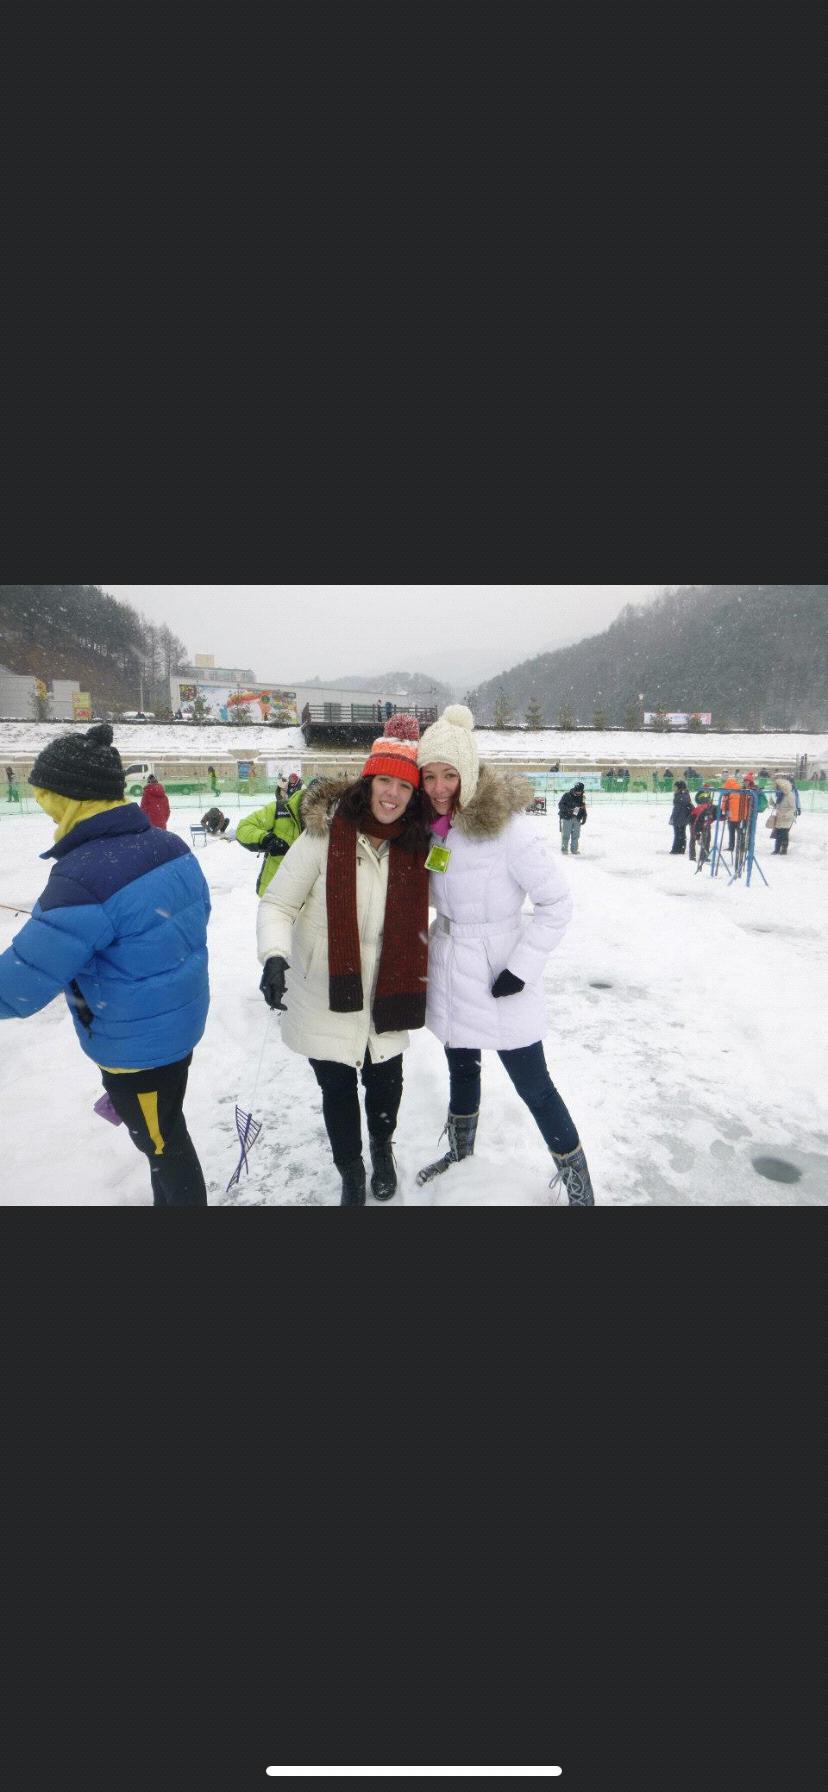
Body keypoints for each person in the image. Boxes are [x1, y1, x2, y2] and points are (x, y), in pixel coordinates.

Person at [0, 724, 211, 1205]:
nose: (39, 802)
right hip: (177, 1028)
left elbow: (17, 988)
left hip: (137, 1051)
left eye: (44, 794)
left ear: (68, 797)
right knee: (167, 1130)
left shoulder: (83, 876)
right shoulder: (168, 845)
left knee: (163, 1146)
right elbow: (195, 918)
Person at [415, 705, 594, 1205]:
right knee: (461, 1067)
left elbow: (556, 903)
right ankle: (459, 1153)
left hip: (499, 973)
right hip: (450, 965)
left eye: (449, 774)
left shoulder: (510, 831)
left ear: (468, 773)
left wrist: (520, 968)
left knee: (534, 1084)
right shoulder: (434, 829)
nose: (437, 786)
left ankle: (580, 1189)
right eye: (429, 775)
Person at [256, 716, 429, 1205]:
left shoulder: (422, 847)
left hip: (389, 993)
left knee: (386, 1086)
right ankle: (350, 1170)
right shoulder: (324, 836)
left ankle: (382, 1148)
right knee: (337, 1091)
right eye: (384, 782)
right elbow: (278, 903)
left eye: (403, 786)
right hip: (325, 991)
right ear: (367, 781)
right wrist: (273, 955)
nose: (392, 795)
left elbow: (458, 896)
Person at [236, 774, 306, 895]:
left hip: (309, 900)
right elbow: (244, 828)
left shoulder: (332, 820)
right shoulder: (278, 810)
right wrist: (266, 839)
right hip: (274, 893)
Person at [768, 775, 797, 855]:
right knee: (778, 834)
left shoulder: (790, 795)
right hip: (779, 817)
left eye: (778, 787)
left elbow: (793, 808)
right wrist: (773, 803)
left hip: (787, 819)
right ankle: (776, 850)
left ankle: (784, 850)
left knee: (784, 834)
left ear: (782, 787)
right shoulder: (780, 796)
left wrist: (786, 815)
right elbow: (779, 806)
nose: (776, 789)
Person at [558, 781, 588, 855]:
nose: (578, 793)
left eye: (580, 792)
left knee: (576, 835)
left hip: (577, 818)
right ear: (575, 789)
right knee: (566, 835)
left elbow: (583, 807)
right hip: (567, 817)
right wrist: (569, 809)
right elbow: (560, 805)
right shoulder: (567, 795)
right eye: (577, 791)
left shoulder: (582, 797)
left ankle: (574, 850)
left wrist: (584, 816)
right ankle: (564, 850)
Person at [689, 788, 716, 866]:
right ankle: (692, 856)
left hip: (704, 824)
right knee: (694, 839)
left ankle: (703, 856)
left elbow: (714, 817)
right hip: (695, 823)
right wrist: (697, 834)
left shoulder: (711, 808)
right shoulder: (700, 809)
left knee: (707, 838)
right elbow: (694, 821)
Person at [669, 780, 693, 854]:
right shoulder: (686, 795)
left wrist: (672, 818)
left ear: (679, 787)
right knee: (682, 833)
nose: (674, 788)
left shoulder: (679, 796)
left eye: (675, 787)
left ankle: (676, 849)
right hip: (684, 817)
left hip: (679, 817)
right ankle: (681, 849)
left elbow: (676, 809)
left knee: (678, 834)